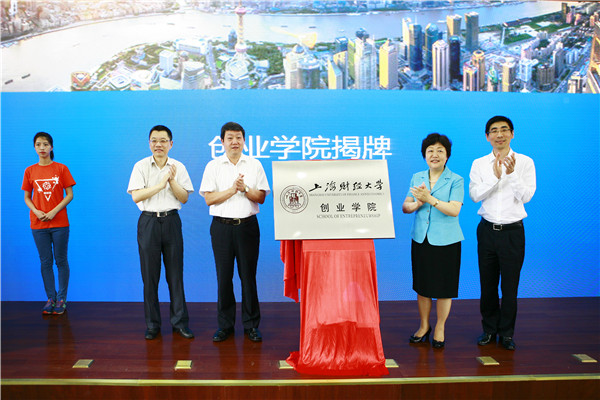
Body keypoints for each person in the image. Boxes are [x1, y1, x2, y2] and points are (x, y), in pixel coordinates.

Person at [199, 122, 270, 343]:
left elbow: (261, 197)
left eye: (238, 137)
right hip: (221, 227)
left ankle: (251, 325)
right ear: (222, 141)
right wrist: (232, 190)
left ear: (244, 141)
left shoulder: (254, 164)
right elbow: (209, 199)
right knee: (224, 277)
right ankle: (225, 325)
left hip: (247, 227)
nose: (234, 142)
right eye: (230, 138)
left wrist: (245, 189)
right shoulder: (213, 166)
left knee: (248, 277)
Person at [469, 116, 536, 351]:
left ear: (512, 134)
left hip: (512, 232)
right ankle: (489, 329)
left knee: (510, 286)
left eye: (504, 130)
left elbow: (526, 196)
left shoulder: (525, 162)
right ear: (487, 137)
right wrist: (495, 177)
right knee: (487, 285)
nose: (500, 135)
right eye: (494, 131)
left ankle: (507, 333)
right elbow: (475, 195)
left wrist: (511, 173)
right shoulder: (479, 164)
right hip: (487, 231)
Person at [127, 125, 194, 340]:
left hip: (172, 221)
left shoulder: (178, 167)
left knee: (175, 276)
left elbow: (184, 198)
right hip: (148, 222)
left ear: (171, 144)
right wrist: (159, 184)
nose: (159, 144)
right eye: (154, 140)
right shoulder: (140, 166)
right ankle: (152, 325)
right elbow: (136, 196)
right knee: (150, 276)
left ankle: (179, 323)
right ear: (149, 143)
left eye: (163, 141)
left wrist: (171, 180)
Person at [402, 133, 464, 349]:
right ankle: (424, 325)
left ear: (447, 156)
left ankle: (440, 327)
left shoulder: (455, 180)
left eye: (440, 151)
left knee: (445, 288)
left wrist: (430, 199)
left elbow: (454, 210)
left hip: (447, 241)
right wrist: (417, 204)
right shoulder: (417, 177)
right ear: (424, 155)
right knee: (423, 286)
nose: (434, 155)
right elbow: (406, 206)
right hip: (421, 239)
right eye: (430, 151)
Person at [22, 132, 76, 315]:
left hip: (60, 223)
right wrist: (37, 211)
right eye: (38, 144)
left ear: (51, 147)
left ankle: (61, 299)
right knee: (45, 261)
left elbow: (69, 195)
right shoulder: (29, 171)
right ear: (34, 147)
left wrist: (54, 211)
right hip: (38, 224)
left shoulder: (61, 168)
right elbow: (27, 197)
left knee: (61, 260)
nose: (42, 147)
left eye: (45, 144)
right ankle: (50, 298)